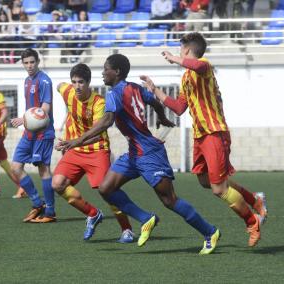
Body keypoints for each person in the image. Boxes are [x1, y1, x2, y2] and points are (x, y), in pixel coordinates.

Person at [57, 54, 220, 254]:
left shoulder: (114, 94)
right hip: (134, 152)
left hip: (149, 153)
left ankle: (209, 231)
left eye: (106, 68)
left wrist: (76, 141)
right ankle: (145, 219)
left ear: (116, 72)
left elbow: (107, 122)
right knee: (106, 188)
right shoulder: (135, 87)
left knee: (169, 200)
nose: (102, 72)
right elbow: (154, 102)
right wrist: (161, 117)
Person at [140, 32, 268, 247]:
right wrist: (155, 91)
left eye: (181, 50)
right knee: (204, 181)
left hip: (214, 132)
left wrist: (174, 58)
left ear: (188, 51)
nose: (179, 53)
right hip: (200, 136)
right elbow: (180, 108)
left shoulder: (203, 66)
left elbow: (197, 67)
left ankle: (252, 221)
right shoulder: (186, 78)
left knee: (219, 188)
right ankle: (254, 200)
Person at [50, 63, 134, 242]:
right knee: (57, 184)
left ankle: (127, 229)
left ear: (88, 83)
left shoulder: (99, 103)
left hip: (96, 150)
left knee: (107, 191)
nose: (77, 86)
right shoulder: (68, 91)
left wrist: (72, 143)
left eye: (81, 82)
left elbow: (97, 136)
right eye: (74, 82)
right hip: (74, 149)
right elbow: (58, 85)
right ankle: (92, 214)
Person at [11, 48, 56, 223]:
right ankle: (38, 203)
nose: (29, 66)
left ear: (38, 62)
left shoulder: (44, 81)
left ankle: (50, 212)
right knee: (15, 167)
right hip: (29, 132)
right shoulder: (26, 81)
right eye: (26, 62)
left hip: (43, 133)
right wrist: (25, 122)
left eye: (32, 62)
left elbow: (45, 109)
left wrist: (24, 119)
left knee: (43, 170)